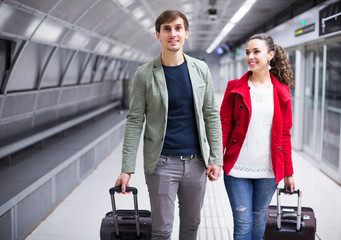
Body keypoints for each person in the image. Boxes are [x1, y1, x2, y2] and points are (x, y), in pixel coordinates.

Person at [114, 9, 223, 240]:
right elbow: (134, 120)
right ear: (158, 35)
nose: (173, 34)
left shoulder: (200, 69)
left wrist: (215, 159)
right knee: (162, 230)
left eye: (177, 28)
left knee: (191, 226)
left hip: (197, 164)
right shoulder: (144, 73)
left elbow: (211, 115)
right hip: (162, 164)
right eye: (167, 29)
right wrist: (127, 167)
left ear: (186, 33)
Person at [220, 33, 295, 240]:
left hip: (268, 172)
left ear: (270, 55)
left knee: (260, 221)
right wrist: (216, 160)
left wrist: (288, 172)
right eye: (247, 52)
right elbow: (224, 126)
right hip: (237, 170)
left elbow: (285, 135)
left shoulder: (282, 92)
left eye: (256, 52)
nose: (250, 57)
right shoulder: (234, 88)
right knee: (243, 225)